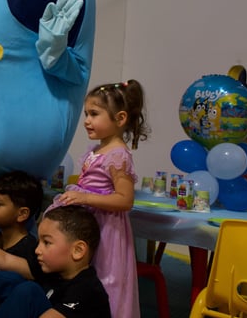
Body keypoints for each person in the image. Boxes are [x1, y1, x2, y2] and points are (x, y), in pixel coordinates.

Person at [52, 79, 149, 318]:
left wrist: (84, 196)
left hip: (108, 231)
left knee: (107, 279)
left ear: (120, 118)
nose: (87, 120)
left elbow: (125, 200)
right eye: (86, 114)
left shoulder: (118, 155)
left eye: (94, 114)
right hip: (90, 225)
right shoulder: (96, 151)